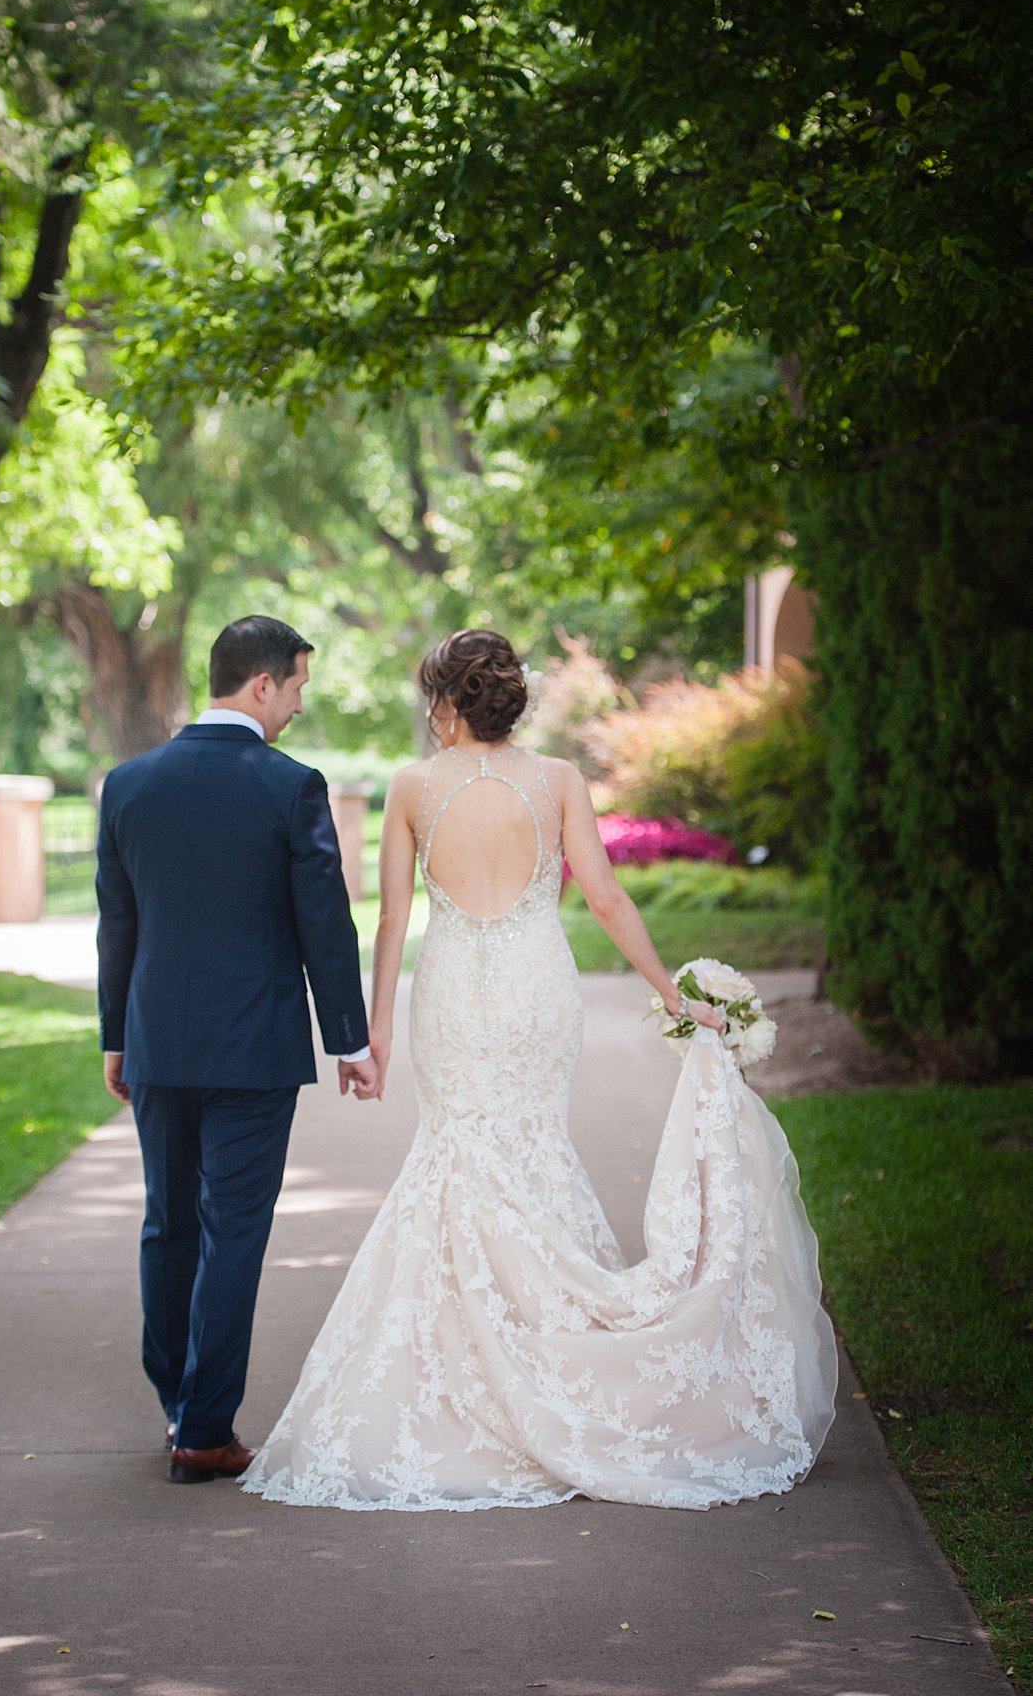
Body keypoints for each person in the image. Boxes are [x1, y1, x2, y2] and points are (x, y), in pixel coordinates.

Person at [242, 628, 837, 1511]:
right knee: (530, 1147)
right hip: (532, 987)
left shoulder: (414, 786)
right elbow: (603, 896)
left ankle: (470, 1381)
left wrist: (374, 1038)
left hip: (452, 987)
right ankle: (556, 1352)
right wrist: (672, 996)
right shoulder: (555, 779)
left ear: (446, 703)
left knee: (454, 1151)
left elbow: (395, 924)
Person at [96, 615, 377, 1486]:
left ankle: (177, 1404)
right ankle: (204, 1429)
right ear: (261, 685)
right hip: (254, 1051)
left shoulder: (127, 785)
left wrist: (115, 1037)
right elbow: (323, 929)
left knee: (167, 1224)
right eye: (295, 688)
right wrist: (350, 1040)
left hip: (156, 1046)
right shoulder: (290, 787)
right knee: (234, 1233)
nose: (296, 707)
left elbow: (119, 926)